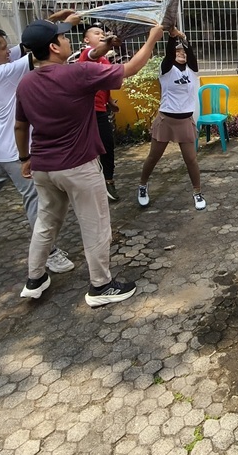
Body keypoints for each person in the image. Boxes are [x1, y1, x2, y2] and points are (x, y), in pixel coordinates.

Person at [15, 18, 163, 307]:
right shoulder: (76, 74)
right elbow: (130, 69)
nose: (68, 40)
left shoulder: (27, 81)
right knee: (95, 225)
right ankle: (101, 286)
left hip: (43, 167)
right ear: (54, 46)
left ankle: (34, 279)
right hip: (78, 166)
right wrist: (153, 38)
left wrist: (25, 158)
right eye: (63, 37)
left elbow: (21, 126)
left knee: (46, 222)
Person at [0, 15, 78, 276]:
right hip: (13, 148)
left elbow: (24, 44)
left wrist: (51, 20)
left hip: (1, 143)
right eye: (2, 48)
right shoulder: (3, 72)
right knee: (35, 198)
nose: (8, 51)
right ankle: (50, 253)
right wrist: (63, 29)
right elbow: (40, 48)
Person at [137, 28, 206, 211]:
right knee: (153, 157)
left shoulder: (192, 71)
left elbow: (190, 54)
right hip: (166, 121)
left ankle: (197, 192)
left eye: (183, 52)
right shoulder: (166, 70)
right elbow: (168, 54)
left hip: (185, 122)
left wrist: (182, 38)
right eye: (178, 52)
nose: (181, 54)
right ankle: (143, 186)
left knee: (191, 160)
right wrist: (172, 35)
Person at [77, 25, 121, 202]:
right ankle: (93, 185)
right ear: (86, 40)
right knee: (93, 148)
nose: (101, 35)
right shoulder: (87, 54)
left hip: (101, 108)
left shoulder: (104, 58)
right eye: (97, 34)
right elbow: (94, 54)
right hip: (87, 110)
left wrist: (109, 102)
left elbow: (105, 84)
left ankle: (107, 180)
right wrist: (109, 43)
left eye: (103, 33)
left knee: (106, 145)